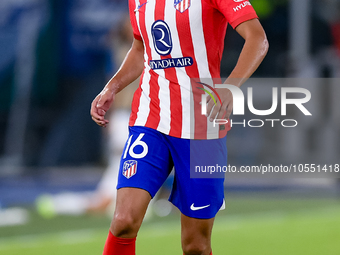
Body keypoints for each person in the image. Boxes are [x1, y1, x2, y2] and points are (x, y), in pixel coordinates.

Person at [91, 0, 268, 254]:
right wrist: (112, 87)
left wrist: (230, 87)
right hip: (150, 119)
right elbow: (141, 49)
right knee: (123, 221)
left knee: (195, 245)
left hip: (202, 127)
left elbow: (257, 39)